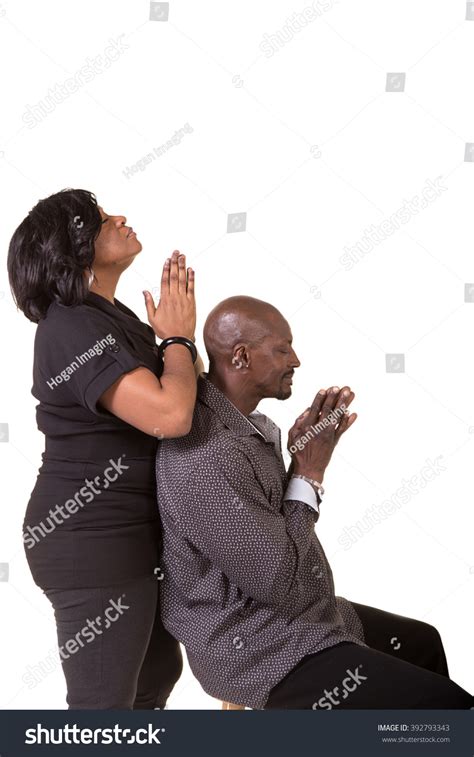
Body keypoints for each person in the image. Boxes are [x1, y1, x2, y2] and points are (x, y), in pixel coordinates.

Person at [155, 295, 473, 709]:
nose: (296, 360)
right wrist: (308, 472)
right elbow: (276, 580)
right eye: (282, 348)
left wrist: (300, 462)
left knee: (422, 643)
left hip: (301, 616)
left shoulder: (242, 427)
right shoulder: (207, 455)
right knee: (447, 708)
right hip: (260, 647)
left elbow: (267, 532)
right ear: (241, 356)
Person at [8, 188, 202, 709]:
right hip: (90, 540)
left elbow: (187, 392)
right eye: (97, 219)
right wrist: (179, 341)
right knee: (102, 713)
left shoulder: (111, 318)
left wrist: (173, 342)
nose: (119, 217)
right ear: (72, 248)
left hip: (132, 538)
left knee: (155, 680)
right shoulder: (72, 327)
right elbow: (169, 415)